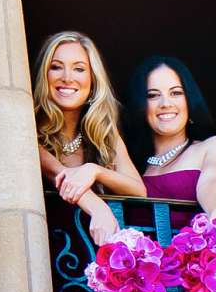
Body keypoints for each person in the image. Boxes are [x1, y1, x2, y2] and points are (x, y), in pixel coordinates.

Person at [32, 30, 143, 244]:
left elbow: (139, 190)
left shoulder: (104, 132)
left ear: (92, 80)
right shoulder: (28, 129)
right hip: (49, 254)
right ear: (44, 75)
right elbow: (60, 174)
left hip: (91, 254)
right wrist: (98, 207)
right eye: (56, 67)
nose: (67, 77)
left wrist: (95, 171)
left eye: (79, 69)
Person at [126, 55, 216, 218]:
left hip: (201, 242)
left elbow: (213, 180)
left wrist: (215, 216)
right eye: (153, 95)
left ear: (189, 100)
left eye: (176, 93)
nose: (165, 103)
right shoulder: (128, 163)